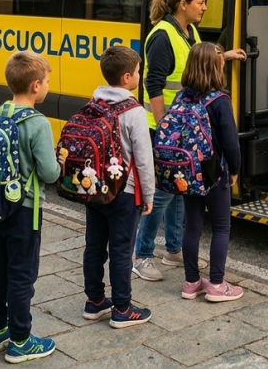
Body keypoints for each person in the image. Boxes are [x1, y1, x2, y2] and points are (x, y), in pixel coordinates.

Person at [133, 0, 246, 281]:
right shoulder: (162, 35)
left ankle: (172, 249)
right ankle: (141, 254)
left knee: (181, 190)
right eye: (199, 2)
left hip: (184, 128)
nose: (204, 8)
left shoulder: (189, 30)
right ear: (183, 4)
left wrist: (225, 56)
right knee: (163, 194)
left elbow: (197, 62)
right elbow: (153, 84)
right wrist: (166, 129)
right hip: (165, 129)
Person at [0, 51, 61, 363]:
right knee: (21, 274)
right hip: (25, 211)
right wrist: (60, 160)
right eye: (47, 82)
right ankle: (20, 340)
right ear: (34, 85)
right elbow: (49, 173)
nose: (48, 87)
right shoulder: (38, 123)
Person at [78, 46, 156, 327]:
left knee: (94, 246)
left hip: (95, 188)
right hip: (124, 192)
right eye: (137, 72)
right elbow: (144, 159)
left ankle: (95, 301)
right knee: (122, 249)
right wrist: (148, 195)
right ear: (126, 78)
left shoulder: (95, 101)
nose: (139, 75)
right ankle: (122, 308)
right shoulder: (134, 111)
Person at [177, 43, 244, 302]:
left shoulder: (182, 96)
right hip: (215, 171)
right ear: (215, 67)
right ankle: (217, 284)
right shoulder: (219, 100)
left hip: (188, 171)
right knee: (221, 226)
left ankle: (191, 281)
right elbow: (230, 141)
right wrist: (235, 170)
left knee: (191, 226)